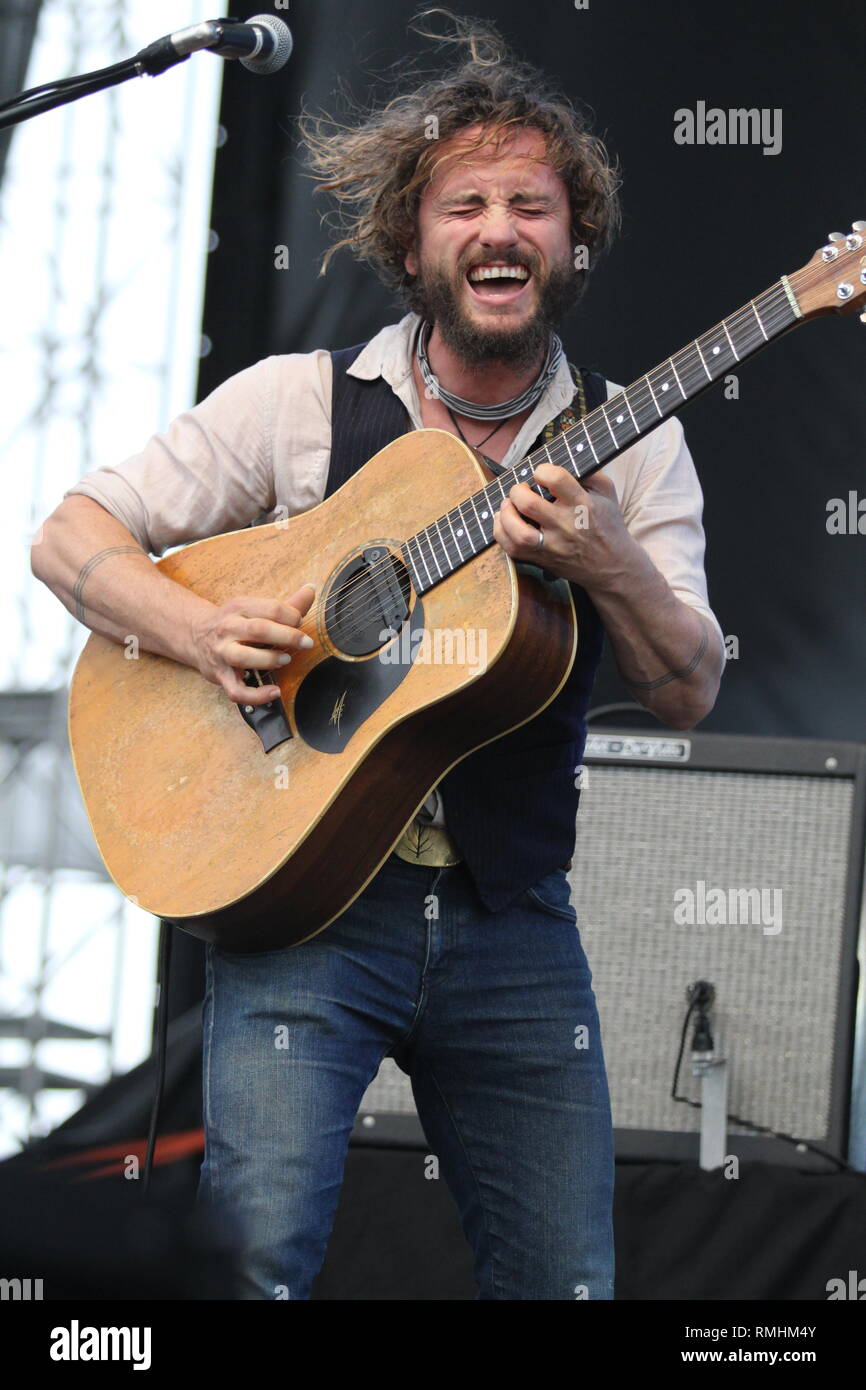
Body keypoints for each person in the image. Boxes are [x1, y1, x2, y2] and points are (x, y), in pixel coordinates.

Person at [32, 11, 724, 1299]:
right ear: (412, 240)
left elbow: (688, 688)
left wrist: (609, 563)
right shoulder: (297, 400)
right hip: (304, 910)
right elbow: (69, 537)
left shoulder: (631, 444)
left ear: (574, 243)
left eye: (532, 203)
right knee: (256, 1275)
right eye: (464, 204)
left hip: (513, 923)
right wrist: (194, 626)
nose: (499, 229)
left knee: (567, 1284)